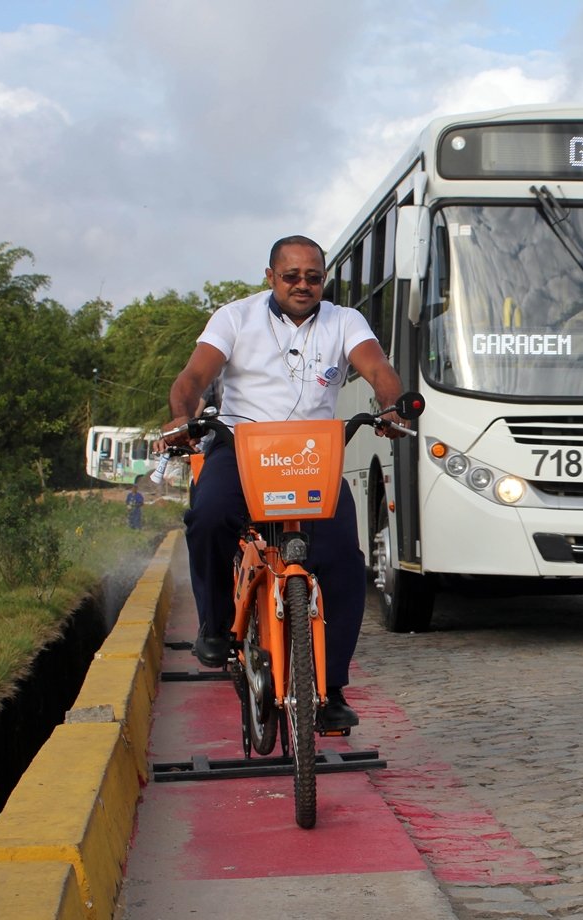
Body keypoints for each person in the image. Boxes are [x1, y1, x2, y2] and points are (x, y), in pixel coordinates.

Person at [162, 235, 407, 731]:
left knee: (343, 560)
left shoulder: (345, 321)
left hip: (311, 453)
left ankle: (331, 688)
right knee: (208, 517)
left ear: (323, 281)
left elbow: (379, 369)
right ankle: (215, 626)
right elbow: (191, 378)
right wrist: (181, 418)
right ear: (271, 276)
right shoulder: (234, 318)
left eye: (313, 277)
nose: (302, 284)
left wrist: (391, 406)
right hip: (242, 447)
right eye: (291, 275)